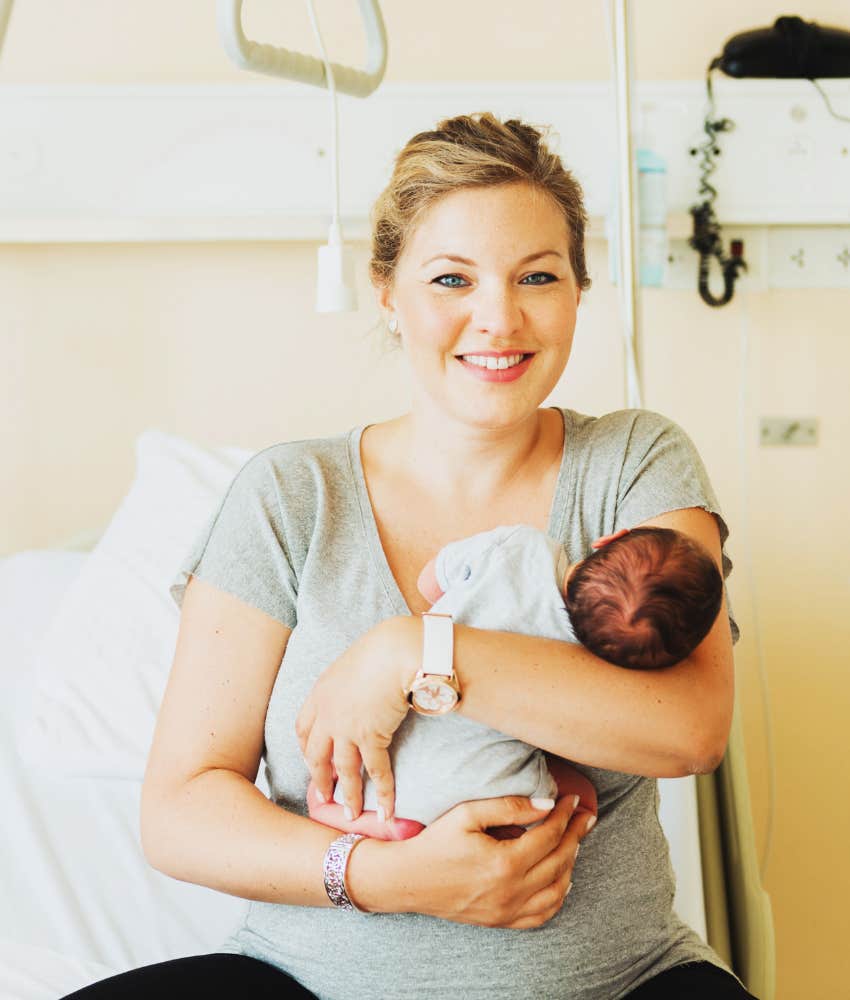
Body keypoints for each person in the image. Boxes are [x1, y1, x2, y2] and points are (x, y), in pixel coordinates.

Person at [64, 112, 756, 999]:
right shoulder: (290, 496)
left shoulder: (633, 464)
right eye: (451, 279)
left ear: (580, 289)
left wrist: (415, 655)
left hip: (616, 983)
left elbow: (690, 728)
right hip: (306, 982)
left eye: (537, 276)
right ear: (388, 292)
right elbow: (181, 811)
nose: (498, 319)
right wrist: (386, 877)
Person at [313, 524, 722, 841]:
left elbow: (429, 583)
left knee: (329, 785)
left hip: (380, 768)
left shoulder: (523, 547)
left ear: (611, 538)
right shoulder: (587, 667)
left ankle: (331, 811)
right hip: (478, 795)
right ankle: (399, 830)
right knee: (578, 797)